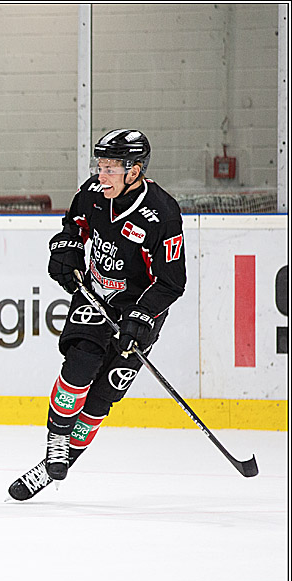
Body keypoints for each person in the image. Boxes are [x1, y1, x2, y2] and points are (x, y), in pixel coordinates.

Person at [11, 129, 186, 500]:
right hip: (95, 297)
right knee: (80, 364)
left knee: (102, 397)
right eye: (100, 166)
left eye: (110, 169)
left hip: (139, 312)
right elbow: (74, 226)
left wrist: (141, 316)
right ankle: (56, 441)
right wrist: (67, 251)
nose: (101, 175)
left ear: (134, 171)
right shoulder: (92, 193)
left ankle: (50, 469)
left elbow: (172, 282)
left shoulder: (162, 215)